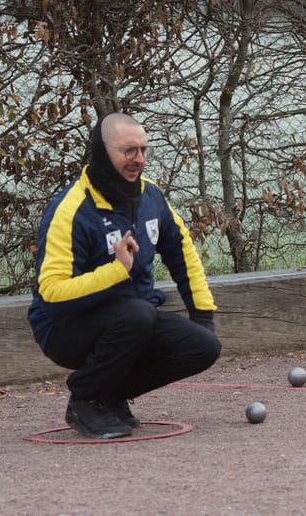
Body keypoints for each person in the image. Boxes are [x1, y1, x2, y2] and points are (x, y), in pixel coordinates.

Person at [27, 112, 221, 439]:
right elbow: (52, 296)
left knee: (203, 346)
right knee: (138, 313)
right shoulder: (71, 210)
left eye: (144, 150)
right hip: (65, 330)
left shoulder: (151, 197)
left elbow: (183, 253)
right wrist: (117, 272)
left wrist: (202, 314)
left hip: (134, 320)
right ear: (102, 151)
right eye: (128, 151)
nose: (139, 160)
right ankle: (85, 399)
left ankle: (109, 395)